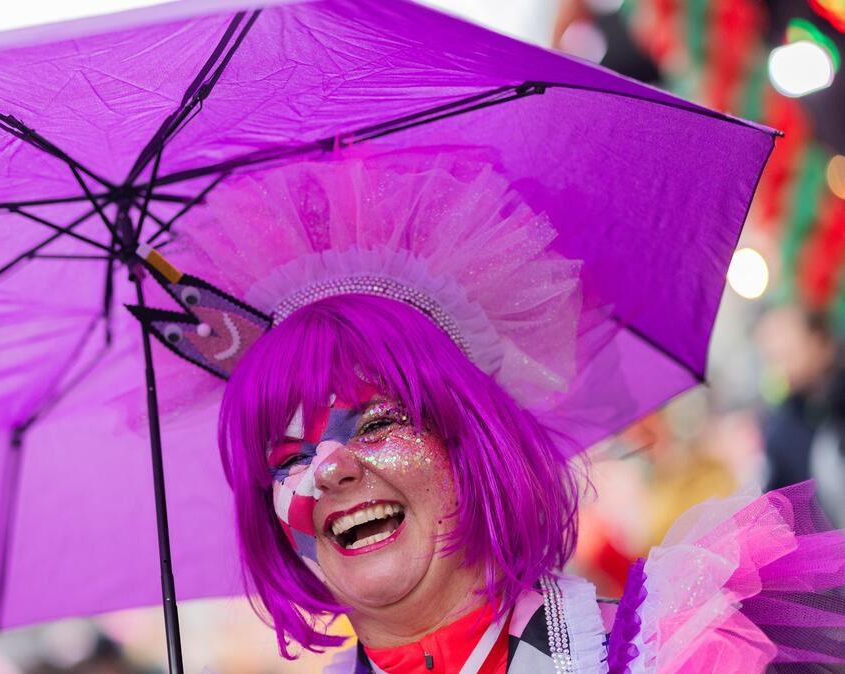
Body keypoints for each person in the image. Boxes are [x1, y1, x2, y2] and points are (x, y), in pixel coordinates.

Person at [136, 149, 845, 672]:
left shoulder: (678, 654)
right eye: (288, 456)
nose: (327, 470)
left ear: (472, 443)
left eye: (377, 422)